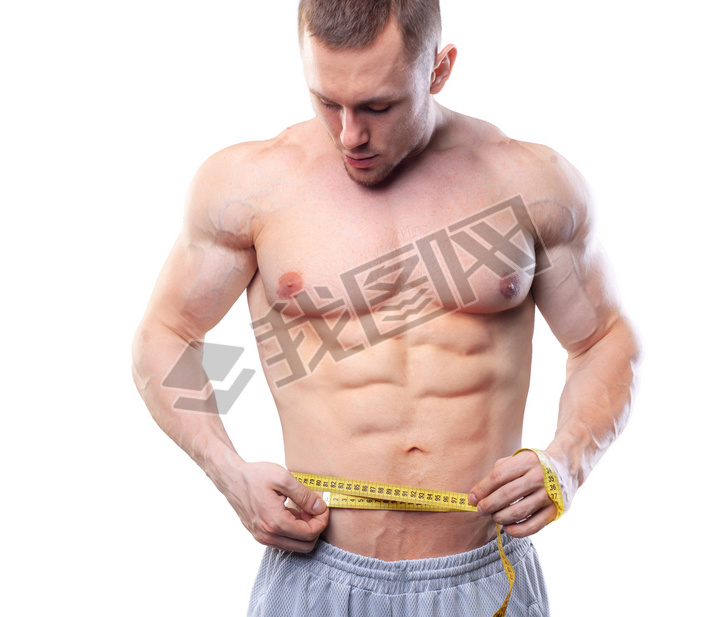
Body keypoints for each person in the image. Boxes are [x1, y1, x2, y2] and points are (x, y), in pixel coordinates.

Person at [132, 0, 641, 614]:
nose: (351, 134)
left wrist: (567, 462)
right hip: (316, 574)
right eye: (327, 102)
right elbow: (166, 334)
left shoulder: (531, 182)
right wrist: (230, 472)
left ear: (439, 69)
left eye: (378, 106)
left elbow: (605, 339)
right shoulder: (251, 184)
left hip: (481, 574)